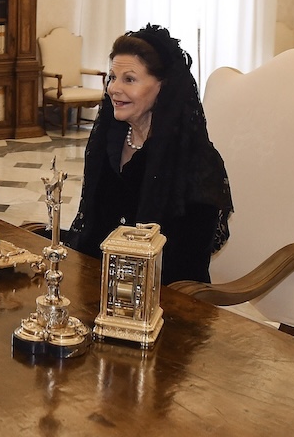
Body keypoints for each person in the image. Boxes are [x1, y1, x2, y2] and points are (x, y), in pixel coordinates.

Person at [63, 24, 233, 284]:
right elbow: (91, 232)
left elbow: (187, 267)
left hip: (165, 305)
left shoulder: (197, 163)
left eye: (129, 79)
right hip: (96, 289)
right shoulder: (107, 143)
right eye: (112, 77)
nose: (114, 89)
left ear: (164, 87)